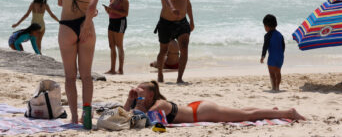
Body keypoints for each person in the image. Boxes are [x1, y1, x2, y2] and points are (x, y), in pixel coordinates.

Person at [58, 0, 113, 124]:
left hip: (66, 28)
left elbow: (60, 2)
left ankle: (74, 117)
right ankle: (86, 115)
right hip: (85, 28)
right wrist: (87, 25)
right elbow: (90, 8)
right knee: (86, 76)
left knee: (70, 77)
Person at [124, 81, 306, 123]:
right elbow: (125, 115)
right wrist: (130, 99)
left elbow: (157, 125)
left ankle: (287, 112)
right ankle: (269, 110)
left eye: (141, 90)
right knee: (241, 111)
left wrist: (138, 104)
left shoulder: (159, 105)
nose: (137, 90)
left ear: (150, 95)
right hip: (197, 108)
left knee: (245, 115)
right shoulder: (146, 104)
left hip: (202, 112)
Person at [154, 0, 194, 83]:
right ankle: (160, 74)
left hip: (182, 22)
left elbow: (188, 3)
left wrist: (191, 20)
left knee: (184, 48)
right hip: (166, 22)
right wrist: (172, 8)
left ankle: (180, 78)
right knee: (163, 50)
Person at [104, 0, 129, 75]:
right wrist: (108, 10)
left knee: (119, 45)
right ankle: (112, 69)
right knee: (111, 45)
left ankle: (120, 69)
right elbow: (111, 12)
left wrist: (112, 10)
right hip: (112, 21)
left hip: (120, 22)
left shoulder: (124, 0)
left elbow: (125, 13)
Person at [261, 14, 285, 92]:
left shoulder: (267, 35)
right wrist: (281, 54)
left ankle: (273, 87)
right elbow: (283, 46)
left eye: (264, 26)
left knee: (272, 73)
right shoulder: (280, 35)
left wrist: (263, 56)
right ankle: (277, 87)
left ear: (267, 26)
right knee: (278, 73)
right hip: (280, 57)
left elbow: (265, 46)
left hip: (272, 57)